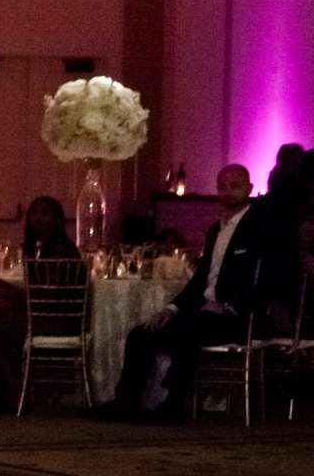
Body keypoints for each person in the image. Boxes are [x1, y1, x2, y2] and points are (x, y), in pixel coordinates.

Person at [104, 163, 268, 419]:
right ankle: (126, 399)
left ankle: (173, 402)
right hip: (206, 311)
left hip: (236, 316)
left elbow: (261, 274)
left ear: (249, 188)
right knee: (141, 333)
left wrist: (232, 303)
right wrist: (170, 308)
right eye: (222, 187)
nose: (227, 192)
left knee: (189, 329)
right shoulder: (216, 230)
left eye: (235, 186)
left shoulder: (259, 228)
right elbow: (201, 278)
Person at [0, 195, 81, 413]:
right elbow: (33, 294)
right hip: (39, 314)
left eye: (45, 214)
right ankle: (10, 392)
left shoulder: (61, 251)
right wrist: (0, 284)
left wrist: (4, 292)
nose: (38, 219)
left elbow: (47, 297)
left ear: (57, 220)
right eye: (34, 214)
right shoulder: (35, 248)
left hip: (56, 320)